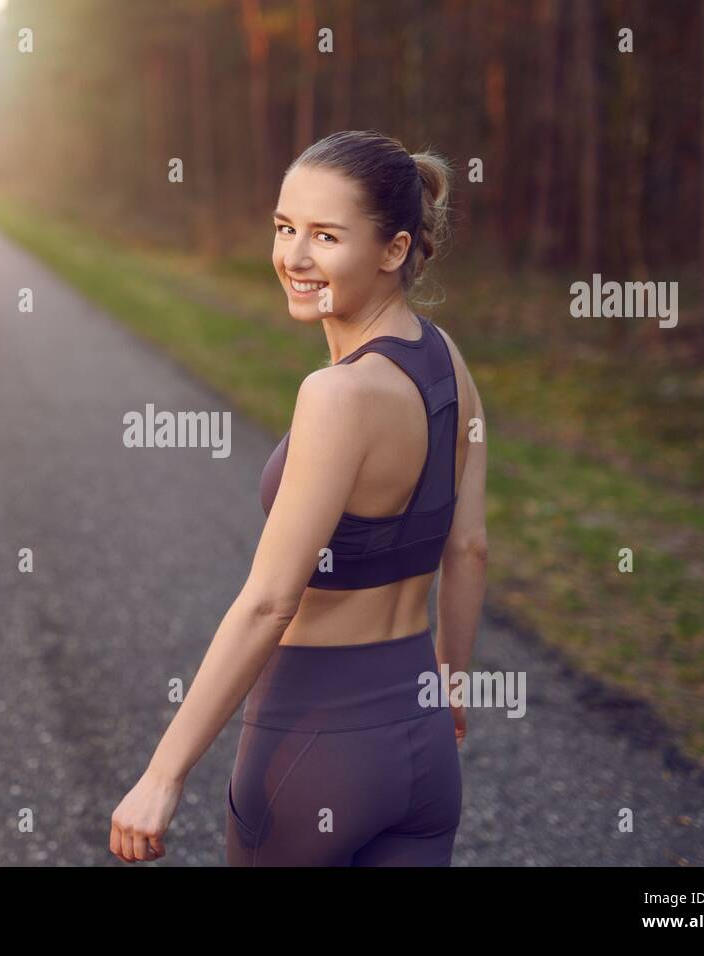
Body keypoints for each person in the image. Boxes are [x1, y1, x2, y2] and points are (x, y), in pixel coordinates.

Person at [109, 130, 488, 866]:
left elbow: (268, 602)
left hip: (315, 750)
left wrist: (163, 774)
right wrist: (452, 681)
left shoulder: (336, 394)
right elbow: (470, 547)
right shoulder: (446, 361)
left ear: (393, 250)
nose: (293, 257)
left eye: (325, 235)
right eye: (285, 229)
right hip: (423, 749)